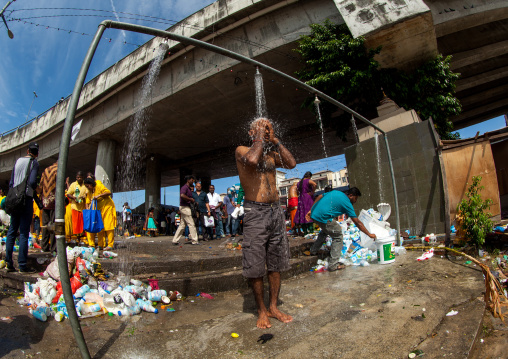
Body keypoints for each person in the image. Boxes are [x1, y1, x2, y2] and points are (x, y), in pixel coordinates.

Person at [235, 118, 296, 329]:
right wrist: (260, 137)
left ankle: (273, 307)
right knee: (255, 264)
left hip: (275, 212)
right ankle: (261, 310)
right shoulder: (242, 150)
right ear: (252, 132)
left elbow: (291, 163)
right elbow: (252, 161)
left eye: (269, 127)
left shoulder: (271, 155)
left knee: (277, 262)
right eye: (262, 127)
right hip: (255, 212)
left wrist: (276, 140)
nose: (266, 130)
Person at [306, 187, 377, 271]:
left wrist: (311, 210)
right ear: (351, 195)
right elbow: (357, 222)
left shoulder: (337, 192)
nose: (355, 201)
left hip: (315, 214)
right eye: (356, 198)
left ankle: (313, 250)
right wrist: (369, 234)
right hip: (323, 216)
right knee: (338, 235)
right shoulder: (347, 203)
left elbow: (320, 196)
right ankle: (333, 264)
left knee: (326, 230)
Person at [4, 142, 40, 273]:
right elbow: (31, 182)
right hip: (26, 199)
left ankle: (9, 264)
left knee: (12, 231)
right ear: (37, 153)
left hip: (14, 198)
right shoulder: (34, 162)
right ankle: (22, 265)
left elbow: (12, 181)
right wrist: (36, 187)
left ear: (27, 150)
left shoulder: (18, 161)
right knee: (24, 232)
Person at [84, 177, 117, 250]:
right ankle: (100, 245)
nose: (87, 188)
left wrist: (98, 196)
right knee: (100, 226)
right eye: (86, 186)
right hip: (99, 210)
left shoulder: (98, 185)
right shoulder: (89, 191)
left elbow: (108, 192)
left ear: (92, 184)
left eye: (88, 186)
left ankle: (110, 245)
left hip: (108, 207)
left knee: (108, 226)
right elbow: (87, 201)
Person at [172, 175, 199, 245]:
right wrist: (190, 199)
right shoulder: (185, 187)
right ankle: (195, 240)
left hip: (185, 207)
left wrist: (193, 201)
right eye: (192, 180)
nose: (193, 182)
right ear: (188, 180)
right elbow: (182, 195)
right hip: (185, 207)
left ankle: (175, 240)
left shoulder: (188, 188)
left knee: (182, 225)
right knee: (191, 224)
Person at [39, 161, 58, 253]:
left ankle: (44, 246)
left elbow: (40, 185)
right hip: (54, 200)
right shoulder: (58, 170)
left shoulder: (45, 170)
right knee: (54, 225)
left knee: (45, 225)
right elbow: (59, 186)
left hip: (45, 200)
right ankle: (53, 248)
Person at [66, 171, 88, 240]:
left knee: (83, 226)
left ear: (83, 177)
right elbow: (68, 194)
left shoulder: (85, 185)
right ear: (76, 177)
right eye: (78, 177)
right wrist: (73, 198)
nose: (79, 178)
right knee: (76, 225)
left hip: (83, 208)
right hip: (75, 207)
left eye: (80, 177)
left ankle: (82, 239)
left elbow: (88, 193)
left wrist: (85, 197)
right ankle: (76, 239)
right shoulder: (73, 185)